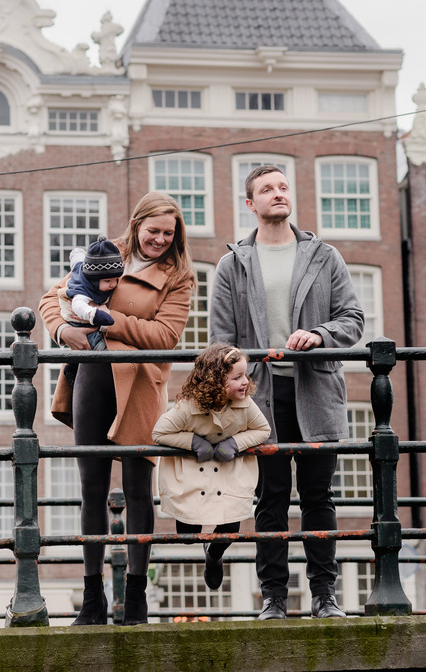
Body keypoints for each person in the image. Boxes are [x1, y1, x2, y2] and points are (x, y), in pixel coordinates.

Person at [210, 165, 364, 620]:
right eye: (266, 190)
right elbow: (220, 342)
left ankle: (324, 596)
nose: (278, 194)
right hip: (259, 400)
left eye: (282, 187)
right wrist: (234, 384)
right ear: (250, 203)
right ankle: (273, 598)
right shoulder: (232, 264)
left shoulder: (324, 256)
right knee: (271, 499)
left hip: (316, 391)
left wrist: (318, 334)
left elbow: (352, 320)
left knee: (319, 498)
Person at [40, 192, 196, 626]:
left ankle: (135, 601)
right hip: (93, 378)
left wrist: (103, 320)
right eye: (153, 231)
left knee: (137, 490)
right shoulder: (105, 255)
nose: (160, 240)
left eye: (168, 233)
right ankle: (92, 601)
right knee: (91, 487)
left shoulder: (179, 276)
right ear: (136, 224)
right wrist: (62, 332)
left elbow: (165, 337)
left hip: (141, 388)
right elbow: (55, 297)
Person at [152, 344, 270, 591]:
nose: (245, 381)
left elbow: (263, 430)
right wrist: (193, 442)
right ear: (215, 382)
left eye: (245, 375)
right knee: (187, 535)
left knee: (230, 528)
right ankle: (199, 541)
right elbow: (159, 432)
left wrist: (235, 442)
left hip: (228, 475)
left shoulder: (245, 404)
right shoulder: (188, 407)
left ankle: (214, 554)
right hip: (194, 476)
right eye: (237, 377)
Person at [56, 237, 124, 386]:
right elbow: (79, 307)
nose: (113, 284)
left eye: (116, 279)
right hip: (80, 321)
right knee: (96, 343)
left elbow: (77, 257)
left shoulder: (83, 266)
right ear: (93, 280)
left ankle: (72, 364)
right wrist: (96, 314)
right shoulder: (82, 291)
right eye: (107, 281)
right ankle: (72, 367)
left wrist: (77, 251)